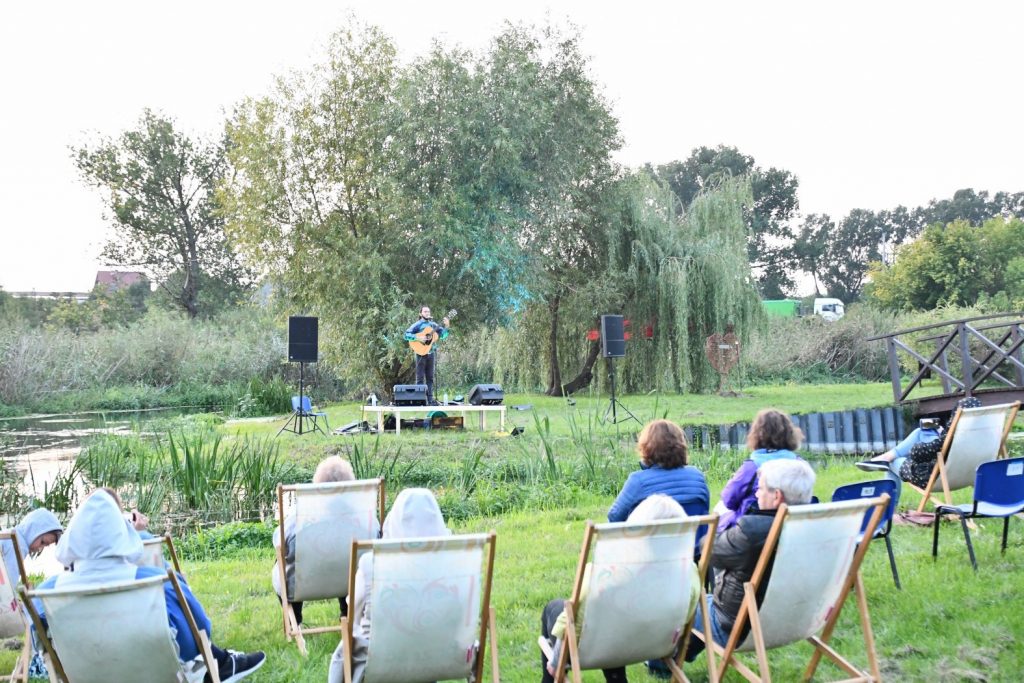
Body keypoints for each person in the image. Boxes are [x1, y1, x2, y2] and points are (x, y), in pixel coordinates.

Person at [33, 490, 265, 683]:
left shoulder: (45, 593)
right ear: (122, 535)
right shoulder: (156, 581)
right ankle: (224, 664)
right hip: (152, 672)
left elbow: (45, 650)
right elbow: (200, 631)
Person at [540, 495, 700, 683]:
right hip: (658, 646)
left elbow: (574, 623)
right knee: (613, 619)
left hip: (602, 646)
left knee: (556, 609)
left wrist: (557, 660)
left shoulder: (606, 576)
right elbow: (686, 616)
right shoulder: (689, 574)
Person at [686, 458, 816, 662]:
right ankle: (682, 655)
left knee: (682, 601)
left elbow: (710, 549)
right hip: (794, 620)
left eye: (760, 488)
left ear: (776, 496)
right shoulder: (816, 525)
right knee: (705, 602)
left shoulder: (752, 531)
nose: (756, 493)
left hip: (738, 627)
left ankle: (661, 665)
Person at [327, 488, 451, 683]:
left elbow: (354, 613)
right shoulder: (454, 564)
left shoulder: (371, 565)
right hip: (439, 656)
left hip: (380, 664)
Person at [272, 456, 369, 625]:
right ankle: (347, 613)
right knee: (347, 558)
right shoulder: (363, 518)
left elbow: (280, 542)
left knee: (284, 561)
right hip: (350, 582)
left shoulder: (301, 517)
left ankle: (295, 620)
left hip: (303, 584)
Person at [855, 397, 981, 508]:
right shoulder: (988, 435)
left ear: (955, 417)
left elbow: (917, 454)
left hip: (934, 477)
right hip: (968, 475)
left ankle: (890, 505)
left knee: (891, 462)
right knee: (922, 432)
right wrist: (942, 434)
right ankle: (886, 456)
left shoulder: (952, 437)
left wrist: (938, 439)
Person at [607, 420, 709, 529]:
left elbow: (614, 518)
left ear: (646, 447)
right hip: (692, 544)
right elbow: (704, 510)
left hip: (648, 545)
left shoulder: (638, 481)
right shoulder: (697, 476)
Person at [716, 409, 804, 531]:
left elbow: (728, 500)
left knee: (719, 508)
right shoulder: (801, 465)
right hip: (792, 526)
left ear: (757, 435)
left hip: (752, 529)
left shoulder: (751, 467)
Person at [1, 508, 63, 587]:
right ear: (33, 530)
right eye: (42, 542)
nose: (40, 548)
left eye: (45, 546)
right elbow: (9, 584)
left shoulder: (10, 533)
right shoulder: (18, 544)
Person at [404, 306, 450, 405]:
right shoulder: (417, 325)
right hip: (420, 353)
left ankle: (430, 399)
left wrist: (447, 326)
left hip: (431, 353)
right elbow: (406, 335)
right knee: (420, 377)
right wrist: (418, 338)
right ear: (421, 313)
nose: (427, 313)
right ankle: (419, 399)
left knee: (430, 377)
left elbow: (443, 335)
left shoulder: (433, 325)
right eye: (425, 311)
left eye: (428, 311)